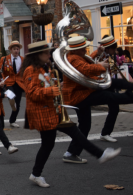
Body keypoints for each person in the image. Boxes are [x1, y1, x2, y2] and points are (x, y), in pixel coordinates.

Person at [21, 41, 121, 188]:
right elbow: (31, 93)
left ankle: (36, 174)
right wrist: (51, 91)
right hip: (43, 114)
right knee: (61, 139)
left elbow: (46, 86)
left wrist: (57, 86)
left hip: (53, 110)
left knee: (54, 142)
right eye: (46, 53)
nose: (50, 55)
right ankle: (100, 154)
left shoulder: (44, 68)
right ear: (38, 55)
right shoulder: (30, 70)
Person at [61, 36, 133, 164]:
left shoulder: (76, 56)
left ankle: (71, 153)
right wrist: (101, 66)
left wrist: (97, 54)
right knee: (106, 96)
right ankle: (130, 96)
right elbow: (85, 68)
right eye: (83, 48)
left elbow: (86, 60)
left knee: (85, 125)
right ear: (77, 49)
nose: (85, 49)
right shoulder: (73, 59)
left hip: (81, 93)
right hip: (79, 95)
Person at [0, 41, 24, 127]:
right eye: (14, 49)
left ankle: (12, 121)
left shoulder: (22, 59)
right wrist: (2, 80)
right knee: (11, 95)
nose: (16, 51)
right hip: (8, 82)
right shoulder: (4, 59)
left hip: (19, 82)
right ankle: (11, 99)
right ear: (10, 50)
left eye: (17, 49)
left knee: (18, 104)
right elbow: (0, 71)